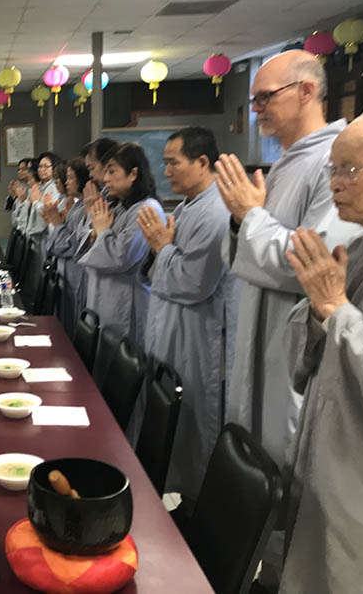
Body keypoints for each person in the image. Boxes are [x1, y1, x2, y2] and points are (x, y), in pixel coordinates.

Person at [216, 50, 363, 472]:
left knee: (285, 462)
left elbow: (316, 261)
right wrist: (240, 221)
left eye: (265, 97)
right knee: (253, 456)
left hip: (296, 341)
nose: (256, 109)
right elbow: (249, 248)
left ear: (306, 91)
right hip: (262, 331)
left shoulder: (333, 161)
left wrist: (250, 216)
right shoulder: (287, 161)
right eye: (254, 99)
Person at [279, 107, 363, 593]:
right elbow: (311, 354)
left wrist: (334, 308)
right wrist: (318, 311)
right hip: (331, 461)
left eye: (350, 169)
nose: (335, 184)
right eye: (333, 169)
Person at [137, 127, 233, 504]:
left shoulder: (217, 211)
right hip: (173, 326)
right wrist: (162, 249)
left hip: (198, 333)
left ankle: (197, 508)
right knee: (176, 427)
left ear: (202, 162)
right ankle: (178, 495)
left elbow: (194, 282)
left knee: (196, 430)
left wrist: (162, 248)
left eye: (173, 163)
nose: (167, 172)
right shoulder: (190, 205)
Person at [77, 142, 163, 348]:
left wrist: (101, 232)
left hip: (126, 301)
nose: (105, 179)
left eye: (112, 171)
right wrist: (98, 233)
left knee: (122, 356)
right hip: (104, 296)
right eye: (105, 171)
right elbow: (88, 237)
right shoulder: (119, 205)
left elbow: (120, 257)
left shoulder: (146, 209)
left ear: (133, 174)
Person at [42, 157, 90, 333]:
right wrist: (56, 222)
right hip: (65, 271)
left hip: (75, 272)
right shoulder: (76, 206)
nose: (66, 182)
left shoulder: (85, 208)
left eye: (70, 177)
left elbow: (71, 245)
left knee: (72, 324)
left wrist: (55, 222)